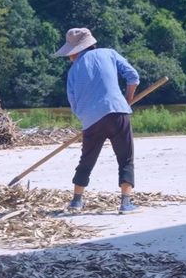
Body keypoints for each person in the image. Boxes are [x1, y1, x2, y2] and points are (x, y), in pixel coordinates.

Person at [55, 27, 143, 214]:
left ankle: (77, 201)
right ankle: (125, 204)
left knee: (87, 159)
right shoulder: (109, 54)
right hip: (117, 112)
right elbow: (133, 77)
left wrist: (86, 120)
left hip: (91, 120)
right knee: (125, 158)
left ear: (76, 51)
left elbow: (74, 103)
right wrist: (126, 100)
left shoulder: (73, 71)